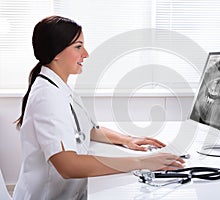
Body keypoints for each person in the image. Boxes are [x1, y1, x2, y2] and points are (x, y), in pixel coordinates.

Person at [13, 15, 184, 200]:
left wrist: (127, 140)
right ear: (56, 52)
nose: (85, 54)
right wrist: (142, 162)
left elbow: (88, 130)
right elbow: (68, 166)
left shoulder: (59, 88)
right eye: (78, 47)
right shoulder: (47, 96)